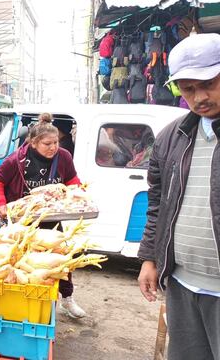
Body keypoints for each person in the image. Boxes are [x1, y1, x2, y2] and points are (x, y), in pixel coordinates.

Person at [138, 33, 220, 360]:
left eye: (209, 84)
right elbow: (157, 204)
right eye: (187, 88)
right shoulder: (172, 137)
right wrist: (149, 258)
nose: (198, 97)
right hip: (182, 286)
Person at [0, 117, 87, 318]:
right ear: (33, 143)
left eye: (56, 142)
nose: (53, 148)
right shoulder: (16, 160)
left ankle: (66, 298)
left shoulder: (64, 157)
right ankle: (24, 304)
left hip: (51, 220)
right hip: (22, 223)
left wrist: (78, 193)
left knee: (60, 260)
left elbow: (71, 180)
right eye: (47, 144)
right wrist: (1, 205)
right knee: (23, 265)